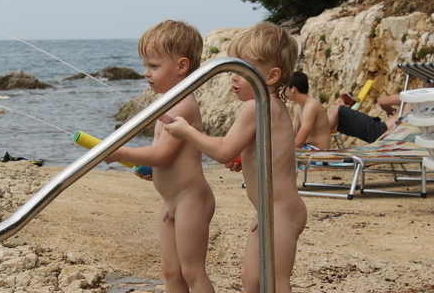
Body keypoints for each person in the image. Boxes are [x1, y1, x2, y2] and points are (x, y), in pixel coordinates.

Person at [164, 21, 306, 293]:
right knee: (252, 280)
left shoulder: (256, 106)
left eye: (242, 70)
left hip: (280, 210)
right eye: (232, 69)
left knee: (276, 282)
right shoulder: (272, 106)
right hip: (271, 208)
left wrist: (188, 132)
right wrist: (244, 159)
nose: (233, 77)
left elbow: (223, 151)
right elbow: (269, 150)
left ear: (271, 76)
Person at [104, 20, 216, 293]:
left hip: (191, 199)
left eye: (154, 66)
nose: (146, 72)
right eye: (145, 65)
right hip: (171, 200)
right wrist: (151, 169)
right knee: (171, 271)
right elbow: (167, 157)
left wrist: (119, 152)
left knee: (192, 271)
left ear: (181, 66)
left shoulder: (183, 105)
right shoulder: (168, 102)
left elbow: (163, 154)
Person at [327, 93, 408, 143]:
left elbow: (383, 102)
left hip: (381, 131)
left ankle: (320, 136)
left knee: (338, 109)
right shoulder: (415, 106)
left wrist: (389, 110)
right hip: (389, 134)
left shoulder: (412, 95)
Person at [285, 71, 331, 150]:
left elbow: (299, 142)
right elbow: (292, 134)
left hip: (318, 151)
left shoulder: (311, 106)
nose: (284, 91)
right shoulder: (299, 107)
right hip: (307, 149)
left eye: (285, 88)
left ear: (293, 89)